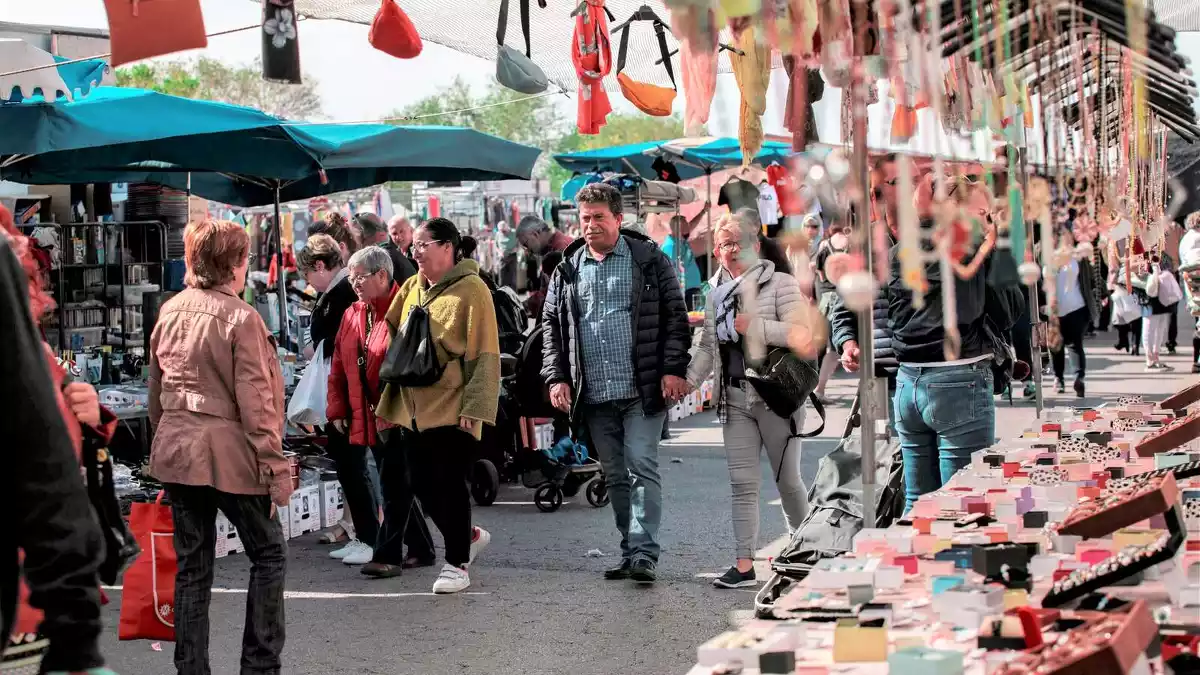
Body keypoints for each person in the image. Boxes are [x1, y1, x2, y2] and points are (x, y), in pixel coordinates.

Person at [149, 219, 291, 675]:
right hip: (228, 452)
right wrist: (274, 469)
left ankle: (191, 669)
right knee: (268, 553)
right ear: (233, 263)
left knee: (193, 567)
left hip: (177, 451)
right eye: (244, 258)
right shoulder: (240, 317)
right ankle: (259, 666)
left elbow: (157, 394)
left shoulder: (170, 310)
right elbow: (257, 403)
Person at [541, 183, 691, 585]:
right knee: (615, 473)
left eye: (598, 218)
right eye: (584, 218)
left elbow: (675, 318)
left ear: (618, 219)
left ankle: (644, 553)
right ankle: (632, 549)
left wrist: (673, 369)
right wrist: (557, 376)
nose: (590, 226)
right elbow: (552, 328)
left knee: (642, 463)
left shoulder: (647, 260)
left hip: (640, 390)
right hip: (594, 394)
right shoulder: (567, 268)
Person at [2, 205, 115, 675]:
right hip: (35, 584)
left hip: (34, 584)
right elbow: (42, 463)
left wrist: (89, 413)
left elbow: (55, 438)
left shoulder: (39, 352)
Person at [375, 218, 499, 594]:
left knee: (449, 486)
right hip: (413, 408)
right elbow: (393, 331)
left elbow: (485, 354)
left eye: (424, 245)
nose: (416, 252)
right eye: (415, 246)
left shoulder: (473, 289)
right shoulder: (412, 285)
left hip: (453, 405)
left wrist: (474, 407)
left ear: (448, 247)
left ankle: (457, 562)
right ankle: (470, 536)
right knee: (420, 485)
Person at [686, 215, 811, 589]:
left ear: (755, 247)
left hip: (776, 396)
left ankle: (804, 551)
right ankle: (743, 565)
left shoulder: (781, 284)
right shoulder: (715, 294)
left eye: (737, 244)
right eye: (724, 245)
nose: (730, 252)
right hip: (735, 398)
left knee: (787, 481)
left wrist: (755, 327)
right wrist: (687, 382)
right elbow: (708, 346)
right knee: (742, 485)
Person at [888, 178, 1021, 512]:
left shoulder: (901, 248)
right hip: (958, 377)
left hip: (909, 381)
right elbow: (1009, 310)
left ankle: (909, 563)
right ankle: (949, 565)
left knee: (918, 501)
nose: (986, 221)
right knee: (961, 503)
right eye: (981, 212)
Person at [325, 247, 435, 573]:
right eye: (352, 276)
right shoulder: (352, 314)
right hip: (368, 414)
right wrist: (337, 410)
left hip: (400, 413)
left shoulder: (407, 308)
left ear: (382, 275)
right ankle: (422, 548)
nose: (354, 283)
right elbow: (338, 368)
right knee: (396, 483)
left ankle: (387, 555)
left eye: (360, 276)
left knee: (393, 484)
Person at [1048, 247, 1099, 397]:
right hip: (1054, 310)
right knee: (1061, 345)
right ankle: (1070, 377)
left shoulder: (1079, 255)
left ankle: (1068, 379)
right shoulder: (1044, 251)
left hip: (1077, 307)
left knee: (1070, 344)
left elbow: (1091, 278)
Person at [660, 203, 712, 309]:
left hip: (691, 289)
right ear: (679, 229)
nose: (688, 227)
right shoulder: (671, 247)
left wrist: (703, 211)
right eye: (685, 225)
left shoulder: (680, 240)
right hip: (684, 292)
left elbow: (692, 225)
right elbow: (671, 272)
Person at [1139, 254, 1182, 371]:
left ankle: (1156, 355)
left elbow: (1172, 267)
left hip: (1162, 294)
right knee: (1149, 326)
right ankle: (1149, 358)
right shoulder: (1140, 252)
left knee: (1160, 326)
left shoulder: (1163, 254)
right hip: (1147, 293)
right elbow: (1136, 269)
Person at [355, 212, 417, 285]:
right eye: (394, 234)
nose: (398, 237)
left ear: (411, 230)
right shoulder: (396, 253)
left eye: (401, 231)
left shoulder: (416, 252)